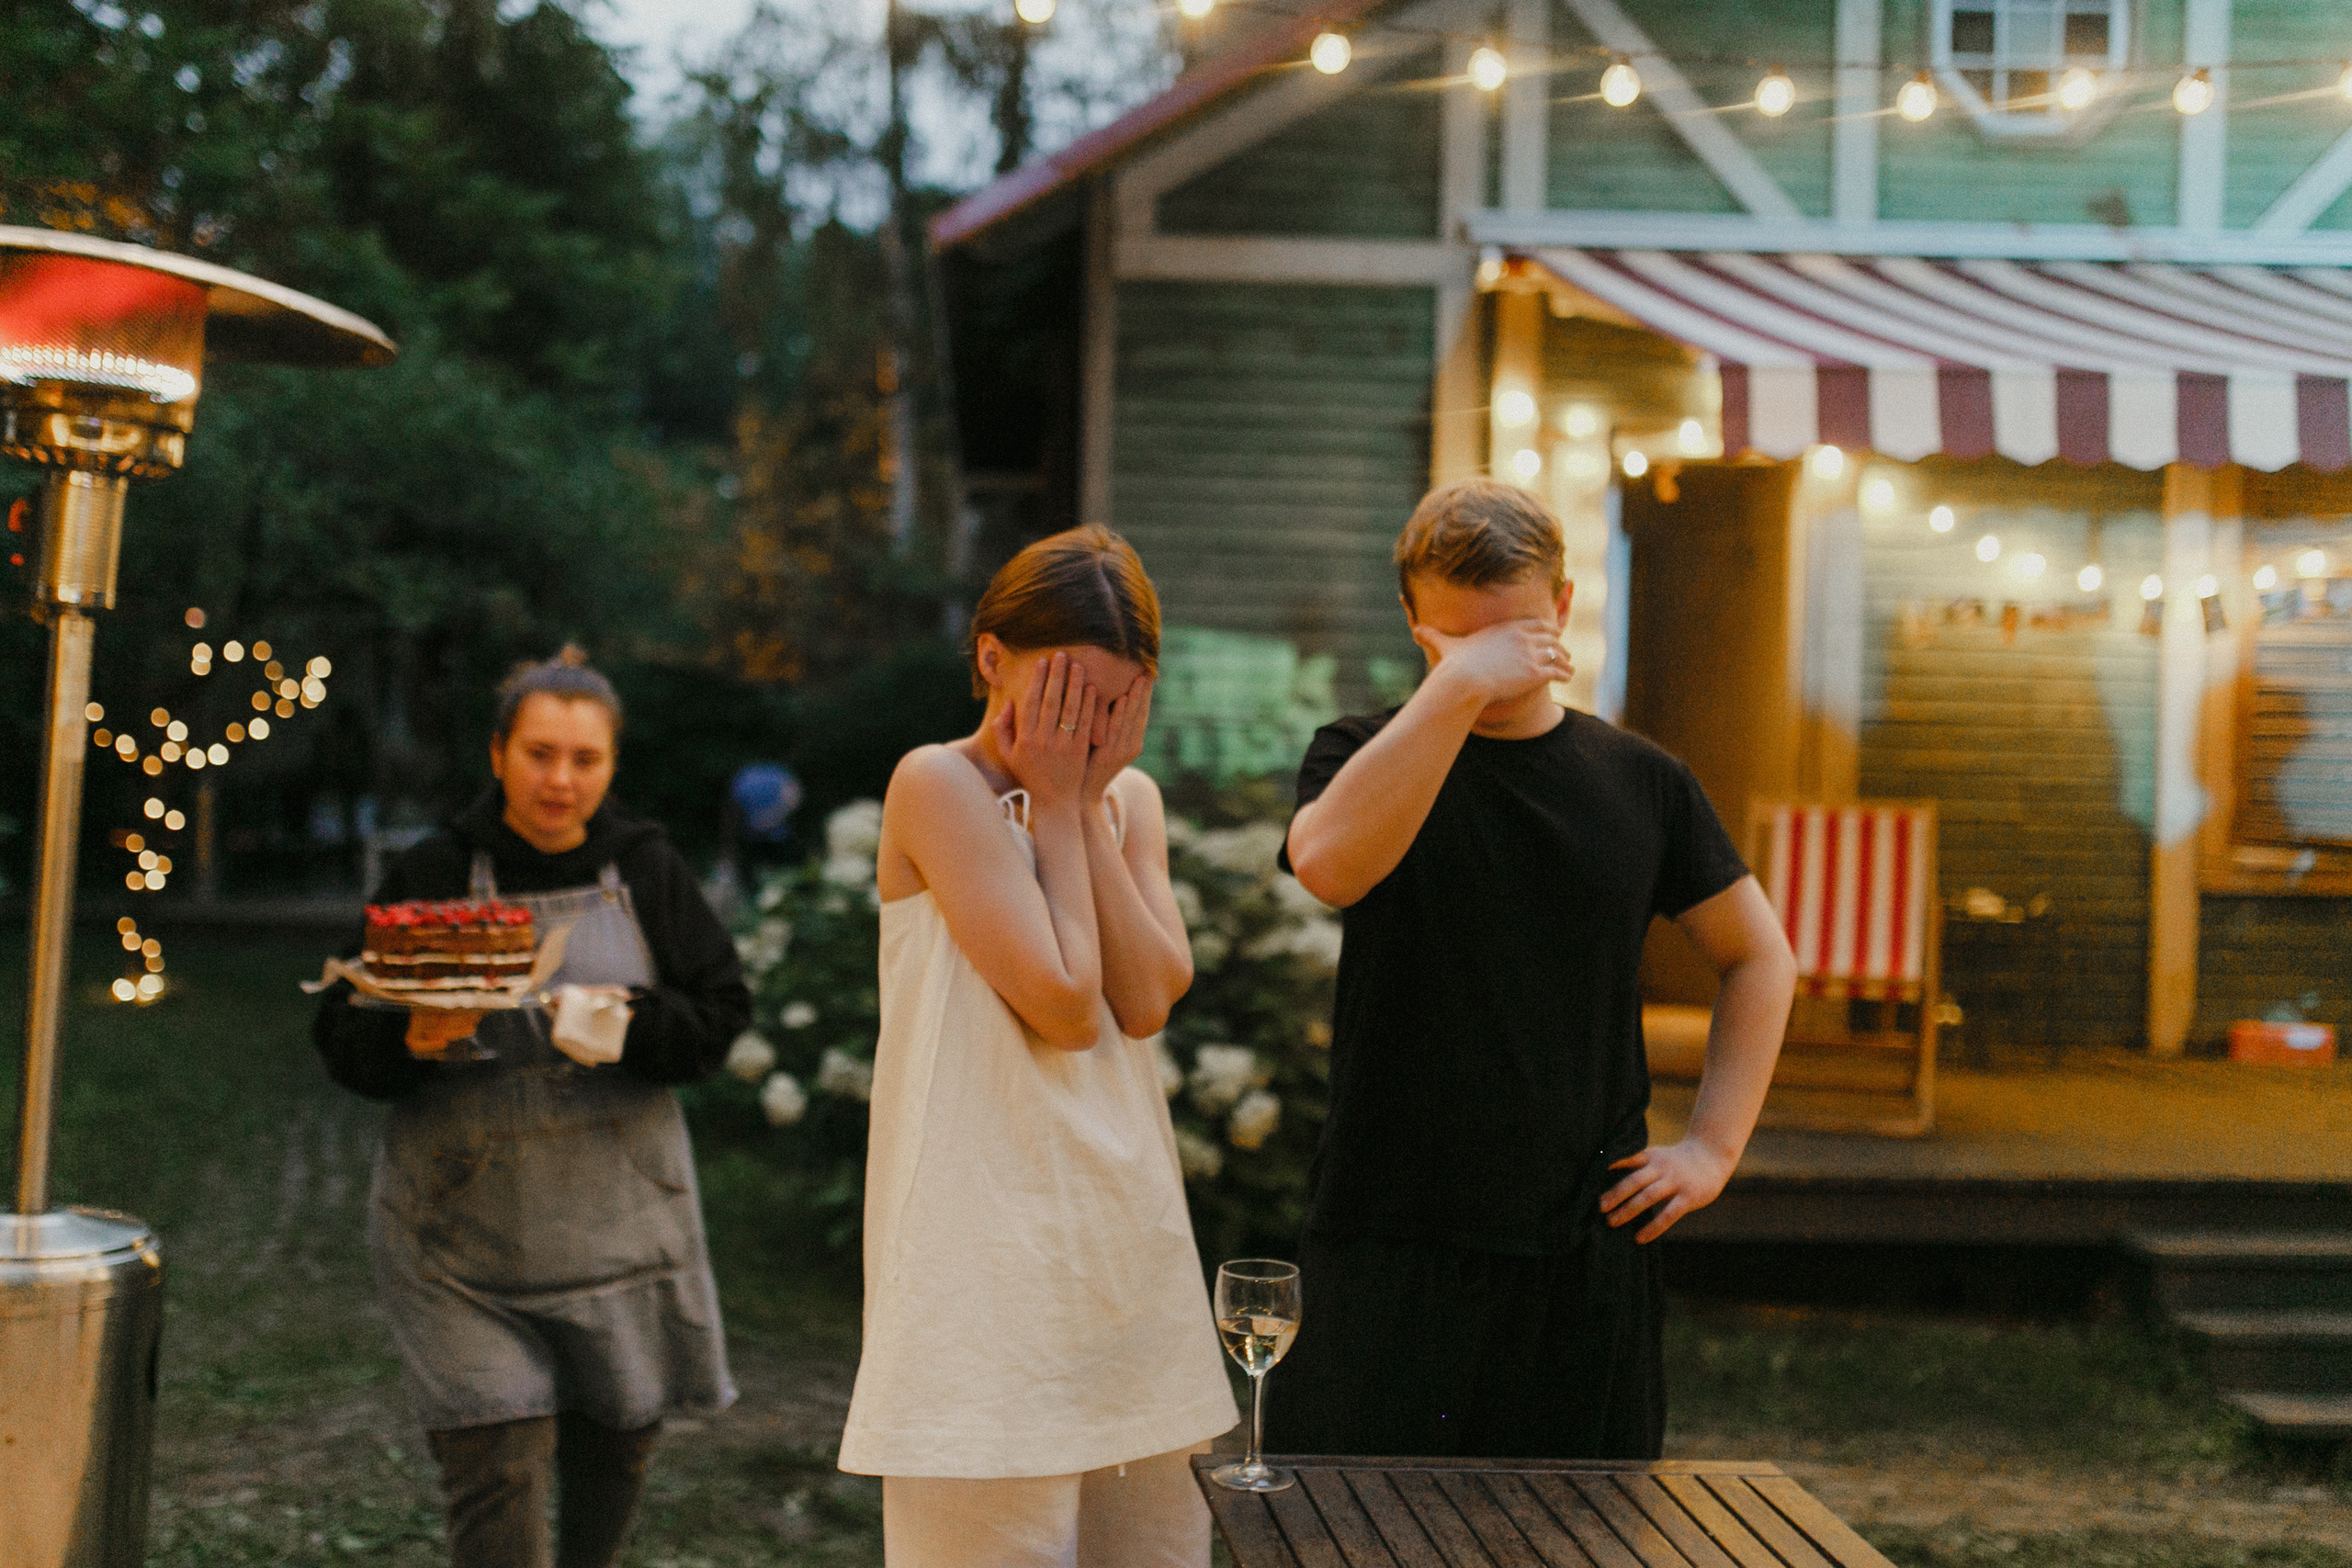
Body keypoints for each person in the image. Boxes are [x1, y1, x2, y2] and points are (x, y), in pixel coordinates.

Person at [1267, 479, 1797, 1461]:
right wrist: (1457, 690)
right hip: (1389, 1232)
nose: (1494, 668)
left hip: (1581, 1247)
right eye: (1459, 643)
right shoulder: (1359, 754)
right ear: (1412, 624)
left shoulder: (1641, 782)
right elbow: (1330, 866)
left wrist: (1712, 1151)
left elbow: (1757, 955)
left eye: (1510, 637)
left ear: (1558, 608)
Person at [839, 525, 1237, 1568]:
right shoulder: (935, 785)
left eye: (1109, 704)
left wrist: (1085, 800)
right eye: (1058, 695)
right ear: (988, 658)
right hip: (982, 1271)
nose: (1081, 729)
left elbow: (1146, 996)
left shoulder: (1124, 800)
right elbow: (1063, 1005)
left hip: (1122, 1251)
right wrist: (1061, 808)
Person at [313, 648, 748, 1568]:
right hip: (459, 1243)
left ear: (610, 767)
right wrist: (409, 1041)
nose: (560, 779)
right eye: (540, 753)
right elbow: (340, 1033)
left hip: (619, 1235)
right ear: (498, 754)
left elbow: (719, 1022)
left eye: (583, 760)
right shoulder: (434, 867)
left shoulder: (647, 870)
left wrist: (626, 1025)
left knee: (617, 1453)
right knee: (498, 1467)